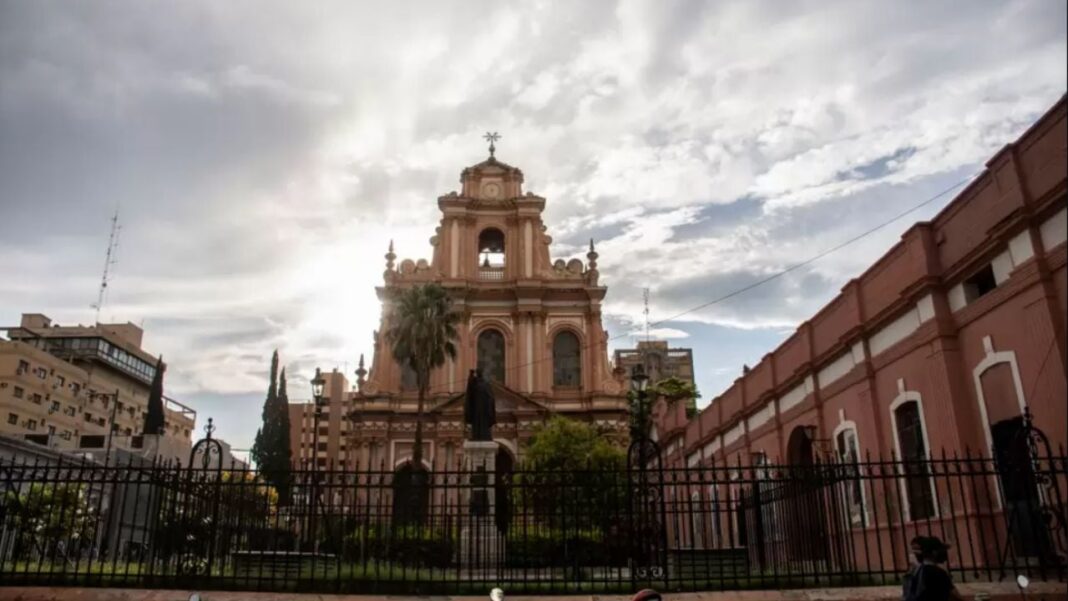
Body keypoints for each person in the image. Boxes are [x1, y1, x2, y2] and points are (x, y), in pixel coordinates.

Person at [903, 536, 961, 601]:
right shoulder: (938, 573)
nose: (944, 553)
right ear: (934, 552)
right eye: (941, 550)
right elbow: (955, 596)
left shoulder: (913, 572)